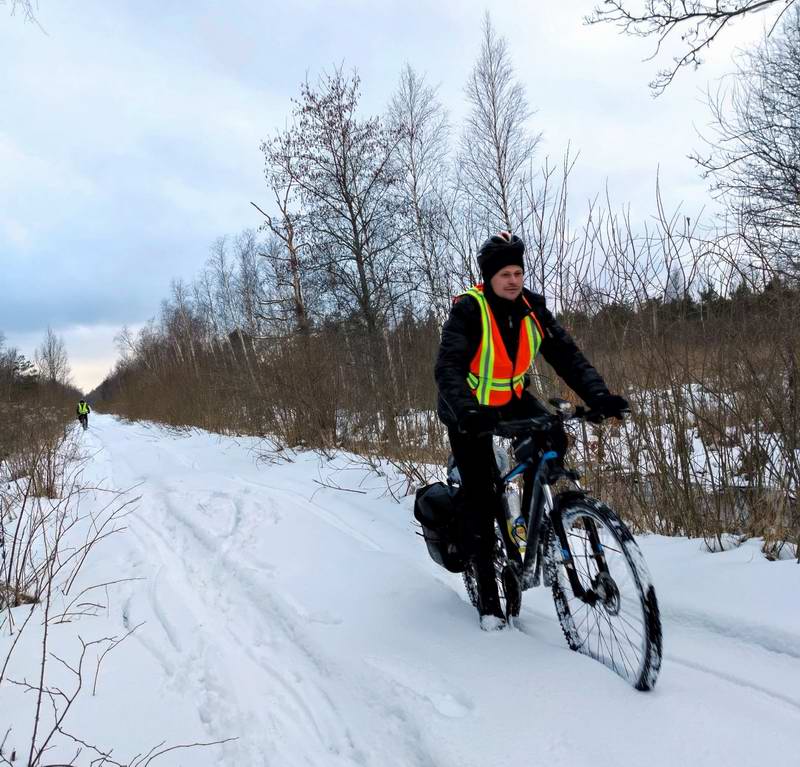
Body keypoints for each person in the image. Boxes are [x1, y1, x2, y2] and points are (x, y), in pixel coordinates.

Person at [434, 231, 629, 630]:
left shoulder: (533, 309)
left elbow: (568, 357)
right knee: (481, 493)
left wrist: (600, 396)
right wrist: (468, 411)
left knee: (553, 443)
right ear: (489, 277)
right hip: (468, 408)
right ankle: (489, 599)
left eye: (518, 271)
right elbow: (448, 368)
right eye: (504, 273)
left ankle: (528, 520)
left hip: (512, 397)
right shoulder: (469, 312)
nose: (513, 279)